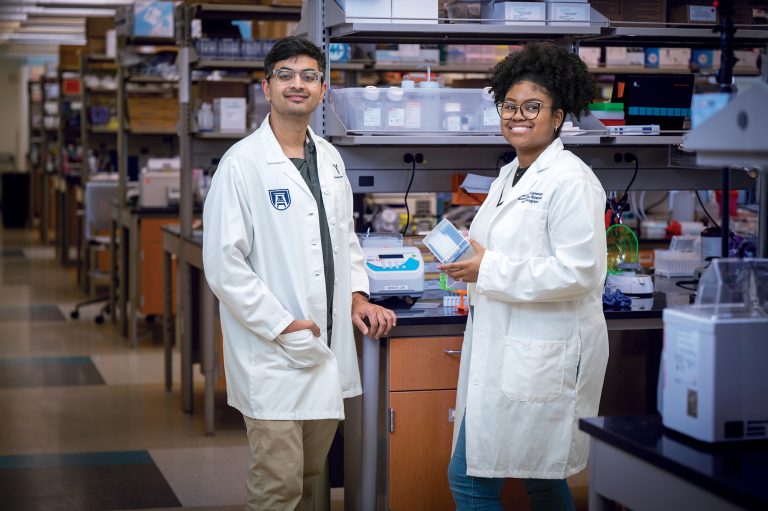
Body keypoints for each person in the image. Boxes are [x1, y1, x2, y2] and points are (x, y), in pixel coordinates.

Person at [202, 36, 396, 510]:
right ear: (265, 87)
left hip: (326, 344)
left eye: (309, 76)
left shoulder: (328, 158)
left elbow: (344, 240)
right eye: (285, 75)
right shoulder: (241, 164)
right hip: (273, 351)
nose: (298, 84)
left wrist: (356, 295)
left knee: (309, 477)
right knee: (277, 485)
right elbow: (224, 265)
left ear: (323, 90)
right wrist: (280, 322)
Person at [441, 42, 609, 510]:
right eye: (509, 106)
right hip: (505, 344)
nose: (518, 115)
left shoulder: (570, 180)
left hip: (543, 353)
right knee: (541, 478)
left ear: (558, 117)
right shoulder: (510, 174)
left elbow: (579, 272)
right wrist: (470, 258)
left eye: (532, 107)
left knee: (471, 480)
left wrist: (487, 267)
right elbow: (506, 250)